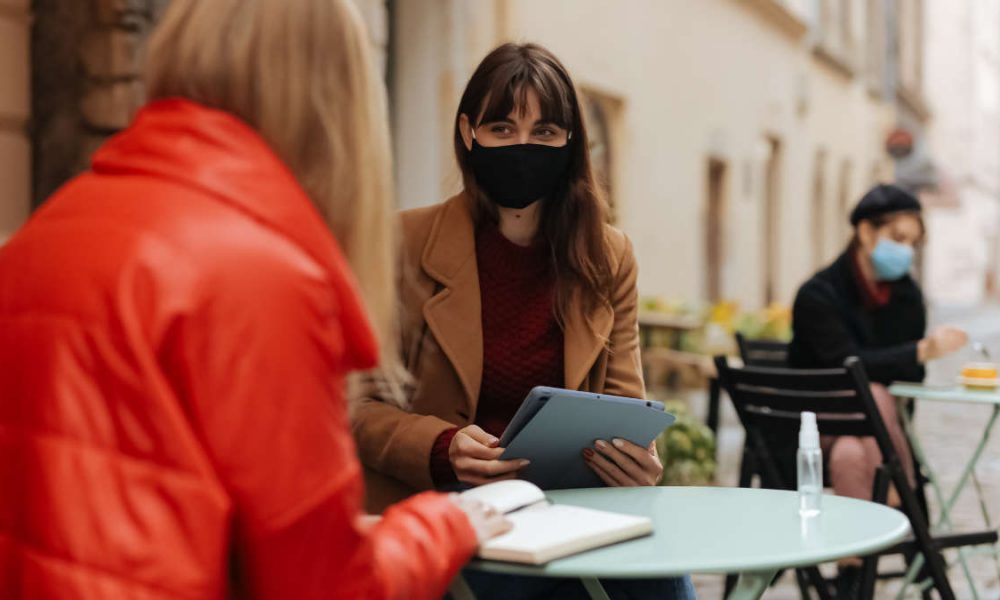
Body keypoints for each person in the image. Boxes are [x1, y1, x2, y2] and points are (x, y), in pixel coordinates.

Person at [0, 1, 508, 599]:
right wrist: (442, 526)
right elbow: (325, 588)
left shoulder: (44, 232)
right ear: (335, 98)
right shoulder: (261, 276)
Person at [352, 42, 695, 600]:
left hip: (570, 509)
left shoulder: (609, 257)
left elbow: (625, 405)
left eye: (544, 132)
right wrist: (442, 447)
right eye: (502, 129)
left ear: (569, 143)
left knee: (662, 580)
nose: (523, 147)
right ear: (468, 133)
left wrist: (636, 461)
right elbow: (356, 407)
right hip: (447, 511)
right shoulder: (402, 244)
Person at [788, 184, 967, 592]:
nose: (905, 251)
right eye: (898, 238)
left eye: (913, 243)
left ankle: (852, 576)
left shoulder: (906, 297)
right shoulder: (819, 294)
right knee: (876, 393)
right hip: (811, 433)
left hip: (863, 439)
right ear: (866, 232)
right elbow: (845, 368)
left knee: (854, 452)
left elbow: (910, 381)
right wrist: (919, 351)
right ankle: (905, 509)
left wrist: (912, 357)